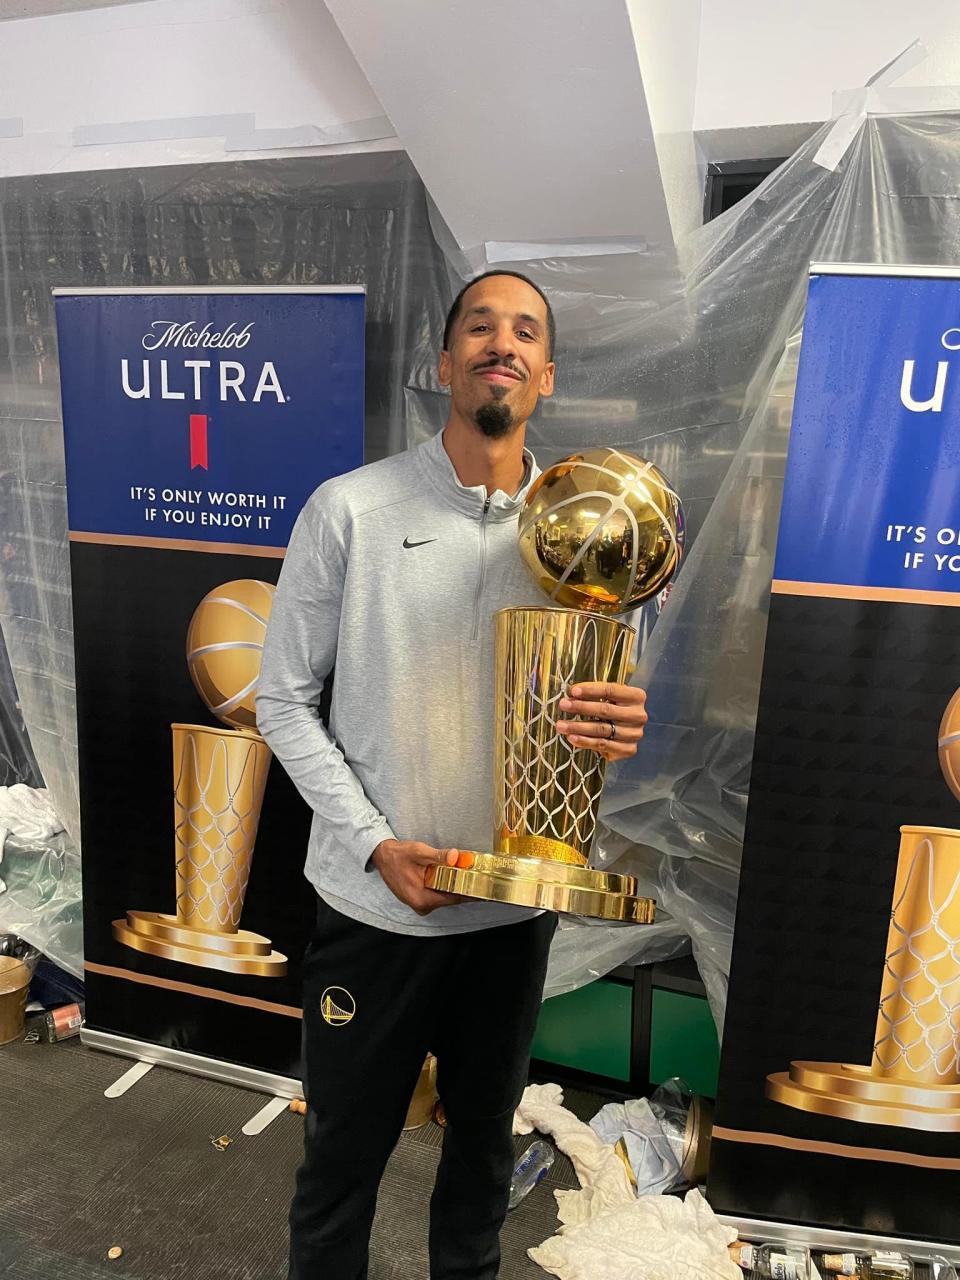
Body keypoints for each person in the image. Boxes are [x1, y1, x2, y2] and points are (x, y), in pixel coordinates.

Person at [257, 270, 649, 1280]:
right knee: (341, 1159)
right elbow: (282, 700)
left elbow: (591, 719)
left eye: (525, 331)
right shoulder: (350, 508)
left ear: (547, 374)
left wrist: (617, 720)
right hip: (375, 909)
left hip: (509, 922)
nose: (502, 343)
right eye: (480, 326)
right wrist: (374, 841)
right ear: (445, 363)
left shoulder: (592, 538)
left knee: (479, 1165)